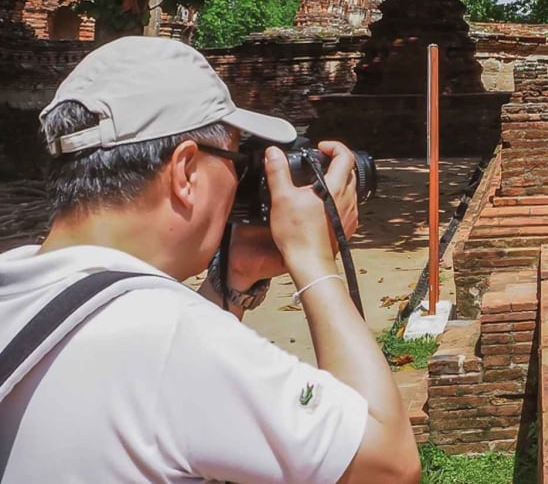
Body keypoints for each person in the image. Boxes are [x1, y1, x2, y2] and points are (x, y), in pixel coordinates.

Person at [0, 37, 420, 484]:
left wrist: (232, 280)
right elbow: (388, 466)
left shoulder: (17, 285)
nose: (241, 181)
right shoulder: (165, 334)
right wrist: (312, 258)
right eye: (236, 160)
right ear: (184, 171)